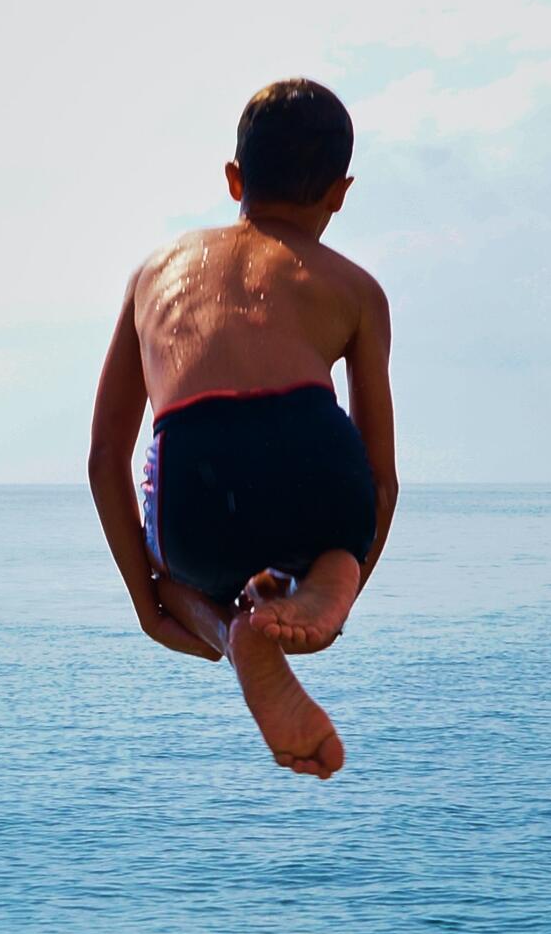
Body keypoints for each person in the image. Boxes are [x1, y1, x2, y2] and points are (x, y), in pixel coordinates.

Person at [87, 78, 398, 779]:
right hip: (320, 463)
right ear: (340, 192)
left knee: (173, 576)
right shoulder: (355, 289)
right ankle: (328, 577)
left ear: (234, 178)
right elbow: (381, 480)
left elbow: (105, 457)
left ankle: (233, 634)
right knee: (337, 538)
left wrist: (149, 602)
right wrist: (345, 589)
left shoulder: (151, 273)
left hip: (202, 474)